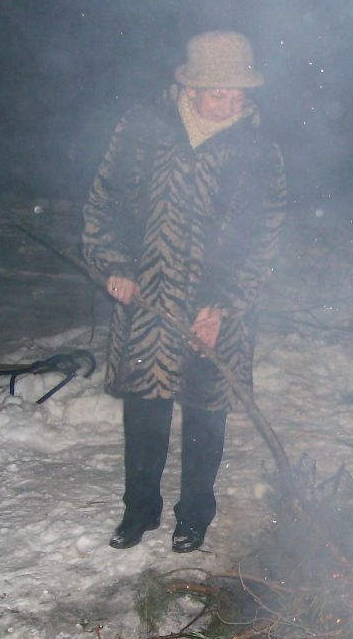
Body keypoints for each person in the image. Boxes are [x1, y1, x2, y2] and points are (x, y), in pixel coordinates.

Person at [82, 30, 286, 551]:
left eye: (239, 96)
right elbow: (104, 204)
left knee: (205, 412)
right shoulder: (143, 131)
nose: (229, 105)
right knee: (146, 411)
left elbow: (264, 242)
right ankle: (140, 511)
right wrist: (114, 265)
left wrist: (224, 308)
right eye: (219, 94)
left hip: (216, 307)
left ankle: (194, 513)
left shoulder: (259, 151)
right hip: (148, 296)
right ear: (190, 88)